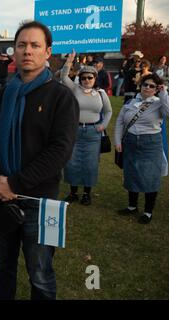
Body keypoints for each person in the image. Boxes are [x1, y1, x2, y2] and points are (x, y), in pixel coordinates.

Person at [0, 21, 79, 300]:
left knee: (40, 274)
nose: (27, 50)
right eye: (22, 45)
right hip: (0, 196)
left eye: (35, 45)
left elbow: (59, 151)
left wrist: (15, 183)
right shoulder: (3, 95)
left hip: (40, 201)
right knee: (2, 266)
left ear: (47, 52)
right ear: (14, 51)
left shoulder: (60, 96)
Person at [114, 74, 169, 224]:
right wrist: (118, 141)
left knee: (150, 177)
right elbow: (119, 122)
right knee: (131, 173)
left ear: (156, 88)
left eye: (152, 86)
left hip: (151, 143)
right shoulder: (131, 102)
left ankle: (148, 211)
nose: (148, 88)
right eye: (145, 84)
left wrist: (164, 93)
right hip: (130, 141)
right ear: (141, 85)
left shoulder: (160, 103)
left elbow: (168, 113)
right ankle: (132, 207)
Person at [60, 51, 112, 205]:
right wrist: (69, 62)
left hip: (93, 133)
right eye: (83, 77)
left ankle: (86, 194)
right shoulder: (75, 89)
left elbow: (108, 111)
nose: (86, 80)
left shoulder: (101, 93)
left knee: (90, 163)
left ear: (95, 78)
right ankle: (73, 192)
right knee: (72, 162)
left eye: (90, 77)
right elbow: (63, 77)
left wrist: (103, 125)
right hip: (75, 131)